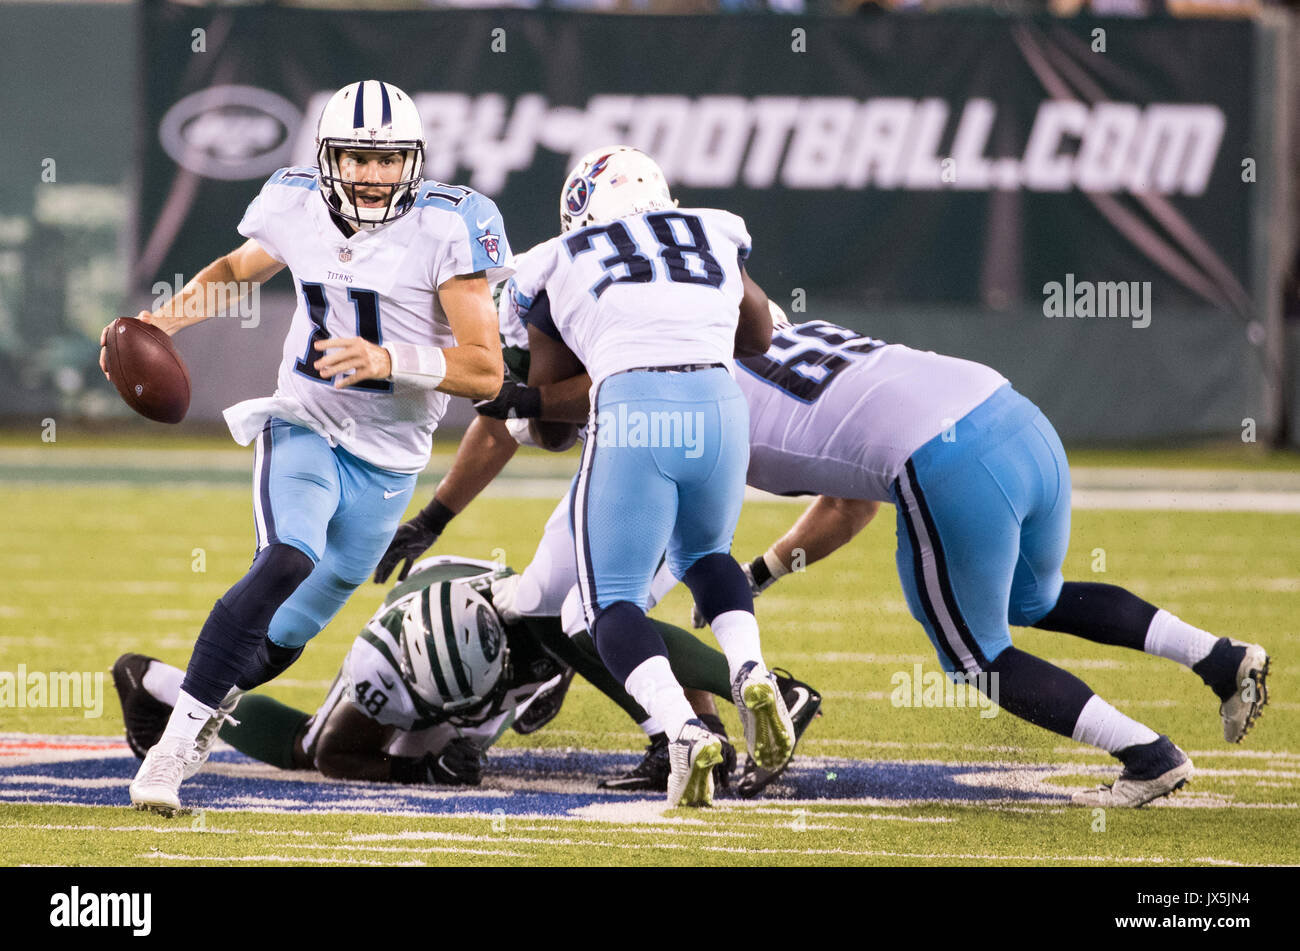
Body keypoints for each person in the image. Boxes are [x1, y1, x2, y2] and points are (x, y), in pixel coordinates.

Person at [100, 80, 511, 816]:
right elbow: (235, 270)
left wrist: (389, 359)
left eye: (389, 159)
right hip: (306, 420)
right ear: (328, 157)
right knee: (289, 554)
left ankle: (153, 683)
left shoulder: (452, 225)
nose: (372, 174)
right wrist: (156, 326)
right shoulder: (292, 202)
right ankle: (172, 755)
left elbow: (486, 369)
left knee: (278, 645)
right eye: (356, 156)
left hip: (390, 458)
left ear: (414, 161)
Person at [712, 312, 1270, 807]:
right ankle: (1220, 659)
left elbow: (835, 509)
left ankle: (1148, 756)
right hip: (1018, 418)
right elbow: (847, 502)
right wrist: (761, 573)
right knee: (1035, 600)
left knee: (977, 658)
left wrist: (729, 585)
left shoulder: (703, 400)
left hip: (949, 463)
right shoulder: (787, 336)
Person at [375, 259, 823, 797]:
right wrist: (433, 518)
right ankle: (687, 730)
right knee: (542, 598)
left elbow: (561, 413)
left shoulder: (579, 282)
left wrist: (532, 396)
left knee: (596, 607)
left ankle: (737, 707)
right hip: (690, 430)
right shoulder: (666, 259)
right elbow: (505, 428)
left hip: (679, 432)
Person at [508, 145, 792, 807]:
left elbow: (551, 426)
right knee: (705, 555)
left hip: (634, 410)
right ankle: (750, 667)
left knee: (607, 602)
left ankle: (684, 729)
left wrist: (524, 402)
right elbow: (757, 336)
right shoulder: (711, 230)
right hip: (720, 406)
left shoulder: (554, 260)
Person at [111, 554, 783, 790]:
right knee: (310, 749)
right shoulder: (388, 668)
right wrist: (413, 768)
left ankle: (690, 724)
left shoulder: (518, 615)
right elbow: (341, 755)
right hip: (419, 650)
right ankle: (157, 682)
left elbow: (611, 629)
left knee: (582, 625)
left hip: (488, 621)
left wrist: (703, 716)